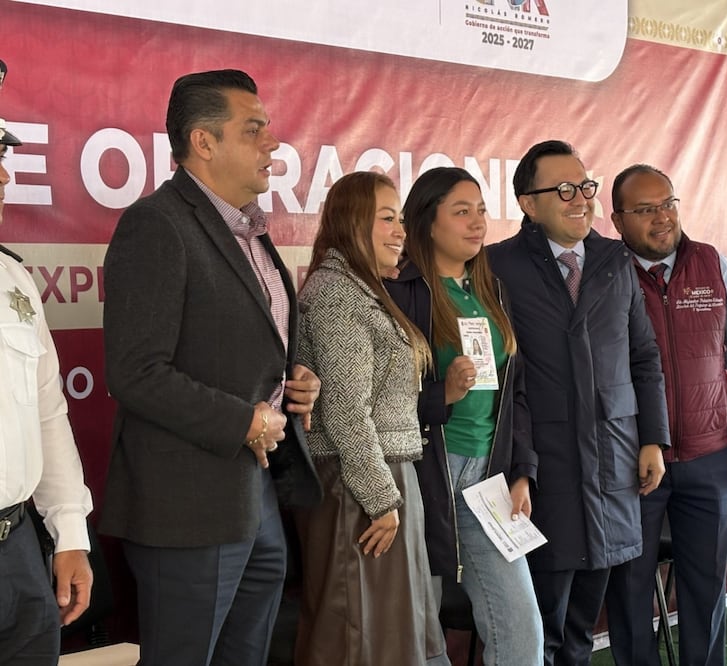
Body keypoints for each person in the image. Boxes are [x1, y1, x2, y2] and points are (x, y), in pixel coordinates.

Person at [101, 69, 321, 666]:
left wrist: (291, 383)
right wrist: (245, 421)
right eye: (253, 130)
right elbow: (136, 370)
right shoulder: (156, 224)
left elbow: (244, 344)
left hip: (255, 496)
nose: (272, 144)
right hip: (187, 506)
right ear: (203, 142)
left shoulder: (251, 231)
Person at [487, 140, 670, 666]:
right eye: (563, 189)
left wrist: (654, 438)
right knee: (538, 622)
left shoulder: (615, 260)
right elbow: (504, 381)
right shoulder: (499, 266)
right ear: (528, 202)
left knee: (583, 627)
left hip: (614, 457)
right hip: (543, 464)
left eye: (585, 187)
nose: (580, 199)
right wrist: (520, 463)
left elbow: (644, 356)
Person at [604, 164, 727, 665]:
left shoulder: (711, 264)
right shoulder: (605, 271)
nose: (662, 218)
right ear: (617, 219)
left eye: (669, 203)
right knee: (630, 586)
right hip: (631, 460)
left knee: (704, 588)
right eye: (646, 209)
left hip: (709, 456)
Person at [387, 166, 544, 665]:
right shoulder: (400, 291)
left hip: (488, 479)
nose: (477, 223)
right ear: (426, 223)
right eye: (461, 212)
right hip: (422, 473)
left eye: (480, 210)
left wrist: (522, 471)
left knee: (522, 632)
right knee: (420, 636)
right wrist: (442, 396)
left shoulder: (490, 290)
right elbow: (376, 404)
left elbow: (515, 394)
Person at [294, 171, 448, 665]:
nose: (401, 230)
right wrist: (382, 498)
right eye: (387, 218)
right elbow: (345, 410)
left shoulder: (359, 288)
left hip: (380, 480)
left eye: (401, 219)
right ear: (351, 222)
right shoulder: (336, 292)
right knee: (359, 641)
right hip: (358, 489)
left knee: (393, 639)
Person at [1, 107, 93, 664]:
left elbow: (46, 414)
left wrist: (70, 533)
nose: (5, 176)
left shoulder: (13, 279)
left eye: (3, 158)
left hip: (17, 554)